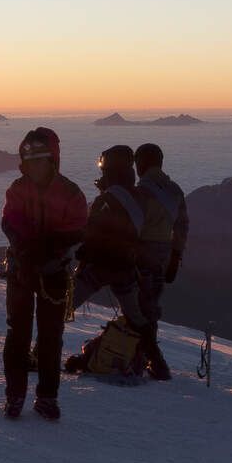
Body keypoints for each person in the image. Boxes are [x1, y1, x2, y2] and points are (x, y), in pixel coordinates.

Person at [0, 126, 87, 419]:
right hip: (26, 269)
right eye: (30, 160)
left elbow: (76, 231)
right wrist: (29, 250)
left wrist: (45, 249)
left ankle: (46, 396)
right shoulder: (20, 189)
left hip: (50, 271)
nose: (35, 166)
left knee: (50, 337)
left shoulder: (69, 192)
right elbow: (10, 223)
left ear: (52, 160)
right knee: (19, 335)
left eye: (40, 159)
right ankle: (16, 396)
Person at [68, 144, 153, 352]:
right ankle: (154, 361)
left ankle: (40, 354)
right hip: (126, 268)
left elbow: (92, 233)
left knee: (62, 307)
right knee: (136, 318)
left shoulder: (106, 199)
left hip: (97, 269)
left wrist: (82, 253)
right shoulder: (139, 198)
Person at [131, 142, 189, 380]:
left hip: (140, 255)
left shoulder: (139, 192)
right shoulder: (174, 190)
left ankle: (148, 361)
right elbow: (182, 226)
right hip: (164, 256)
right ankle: (146, 359)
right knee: (150, 307)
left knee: (138, 309)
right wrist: (175, 257)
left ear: (140, 164)